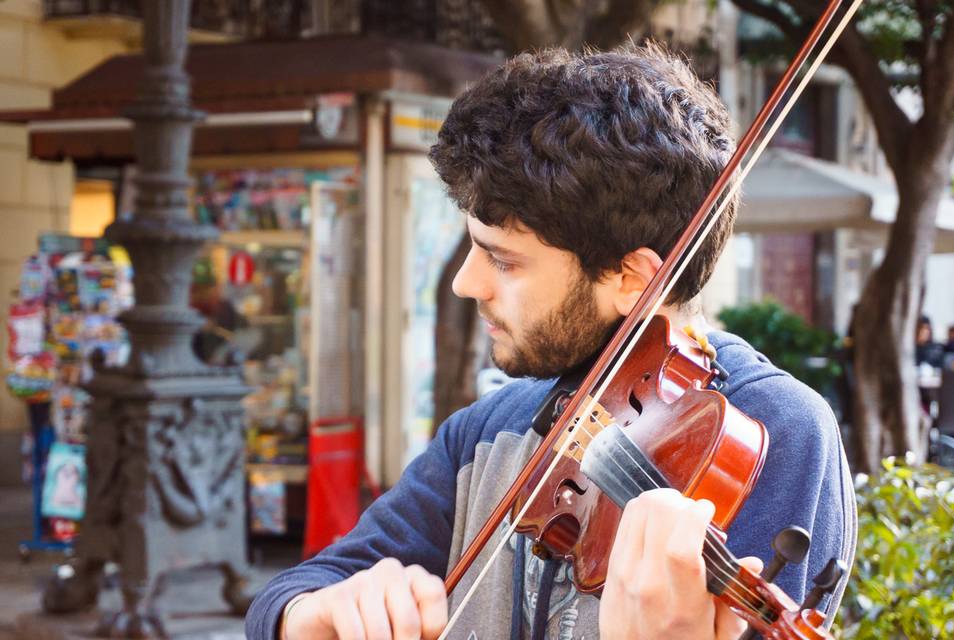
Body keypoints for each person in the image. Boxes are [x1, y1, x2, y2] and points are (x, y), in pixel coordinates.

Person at [246, 44, 856, 640]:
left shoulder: (771, 431)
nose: (465, 283)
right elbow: (289, 595)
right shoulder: (488, 431)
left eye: (503, 261)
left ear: (632, 279)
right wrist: (322, 612)